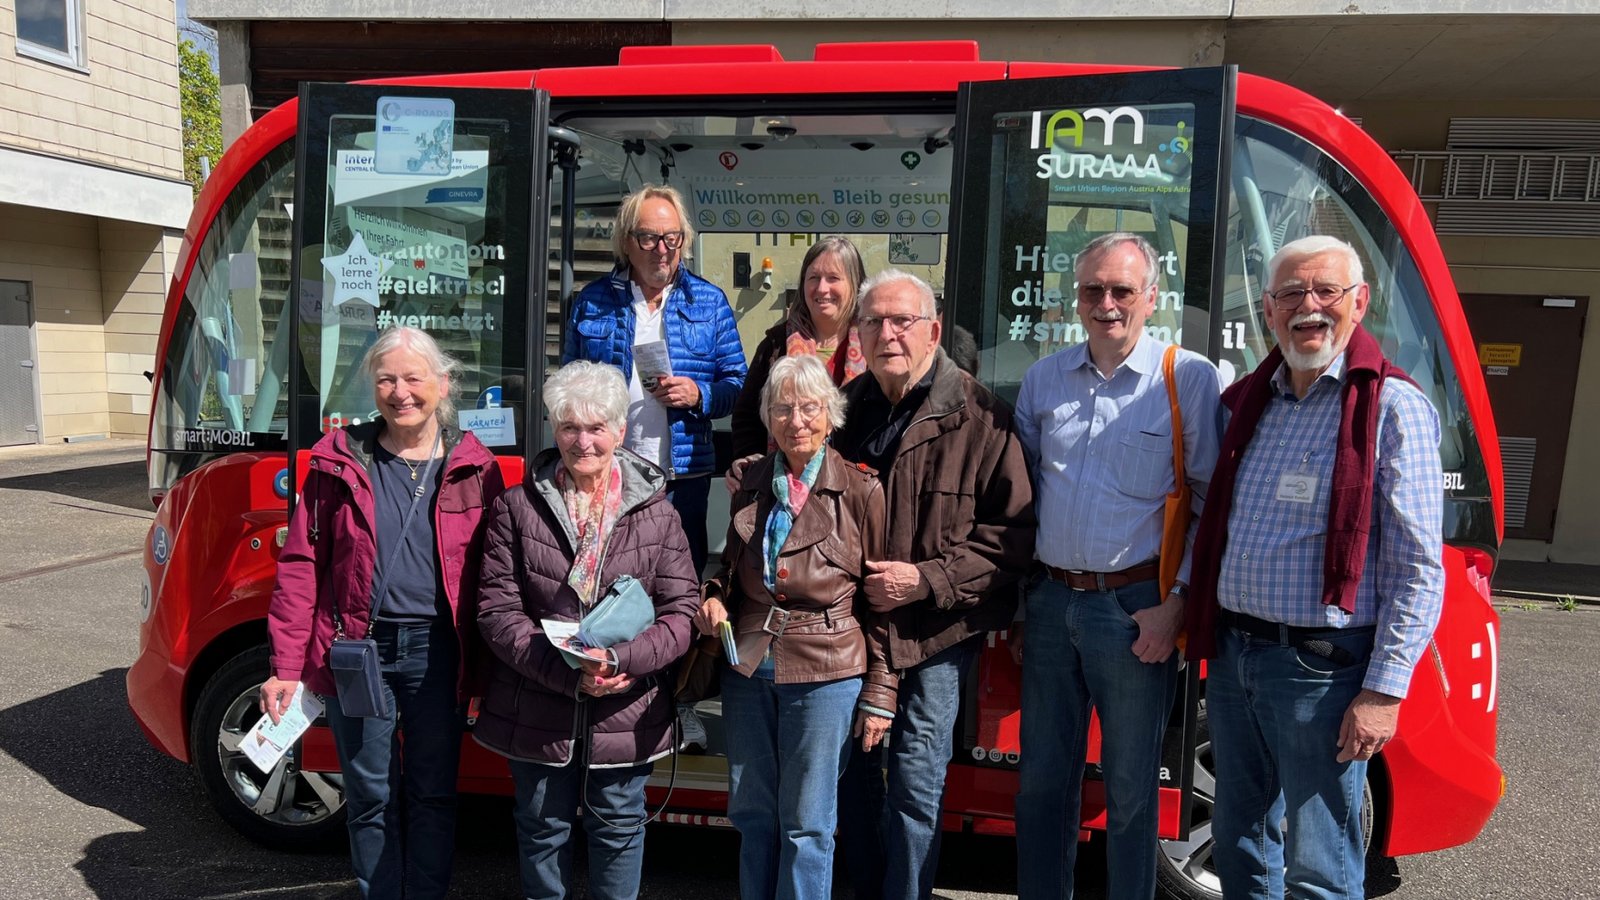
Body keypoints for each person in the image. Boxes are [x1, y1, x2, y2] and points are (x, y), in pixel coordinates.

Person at [1184, 235, 1444, 900]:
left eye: (1326, 290)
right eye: (1292, 292)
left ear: (1359, 303)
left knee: (1321, 863)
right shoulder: (1249, 402)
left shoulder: (1392, 409)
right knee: (1242, 842)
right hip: (1238, 652)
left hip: (1321, 671)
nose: (1310, 305)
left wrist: (1383, 693)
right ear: (1269, 309)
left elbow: (1419, 570)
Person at [260, 326, 504, 900]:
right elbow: (300, 567)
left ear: (443, 385)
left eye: (413, 378)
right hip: (357, 652)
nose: (400, 392)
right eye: (386, 378)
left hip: (438, 652)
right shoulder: (337, 462)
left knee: (432, 792)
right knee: (369, 795)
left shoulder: (476, 466)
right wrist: (287, 667)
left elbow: (497, 573)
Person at [1010, 233, 1220, 899]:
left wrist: (1178, 604)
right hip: (1049, 603)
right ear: (1076, 298)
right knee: (1043, 782)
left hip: (1136, 613)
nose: (1106, 303)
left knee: (1132, 792)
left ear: (1151, 297)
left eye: (1122, 290)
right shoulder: (1045, 379)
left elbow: (1214, 504)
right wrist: (1021, 603)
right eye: (1093, 290)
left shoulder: (1187, 379)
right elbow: (1021, 499)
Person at [833, 270, 1037, 900]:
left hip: (938, 636)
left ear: (933, 331)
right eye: (873, 322)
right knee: (852, 782)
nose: (887, 333)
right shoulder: (844, 410)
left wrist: (926, 580)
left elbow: (1014, 536)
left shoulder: (983, 417)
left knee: (916, 787)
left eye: (902, 321)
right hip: (857, 631)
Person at [473, 360, 699, 900]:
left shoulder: (657, 514)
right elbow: (497, 612)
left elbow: (682, 612)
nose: (584, 441)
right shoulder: (516, 508)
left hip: (628, 707)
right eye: (570, 426)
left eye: (597, 427)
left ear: (621, 431)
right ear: (554, 429)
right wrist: (566, 675)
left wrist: (620, 661)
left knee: (619, 831)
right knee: (542, 829)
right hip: (536, 704)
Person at [696, 354, 895, 900]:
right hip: (749, 664)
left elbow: (881, 605)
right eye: (783, 408)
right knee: (753, 812)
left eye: (809, 407)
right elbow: (729, 572)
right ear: (768, 416)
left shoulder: (862, 492)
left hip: (828, 668)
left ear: (831, 415)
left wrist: (881, 691)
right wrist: (712, 600)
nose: (796, 420)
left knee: (809, 824)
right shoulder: (751, 480)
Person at [563, 183, 747, 573]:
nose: (662, 249)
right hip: (607, 473)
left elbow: (739, 385)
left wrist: (700, 394)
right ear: (626, 242)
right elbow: (567, 384)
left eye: (671, 237)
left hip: (681, 477)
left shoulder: (710, 302)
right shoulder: (591, 301)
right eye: (648, 237)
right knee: (610, 581)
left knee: (679, 582)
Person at [730, 236, 869, 458]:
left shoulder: (872, 345)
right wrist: (752, 464)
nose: (822, 288)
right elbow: (747, 417)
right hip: (783, 481)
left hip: (855, 483)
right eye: (814, 277)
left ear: (855, 284)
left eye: (833, 278)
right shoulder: (775, 347)